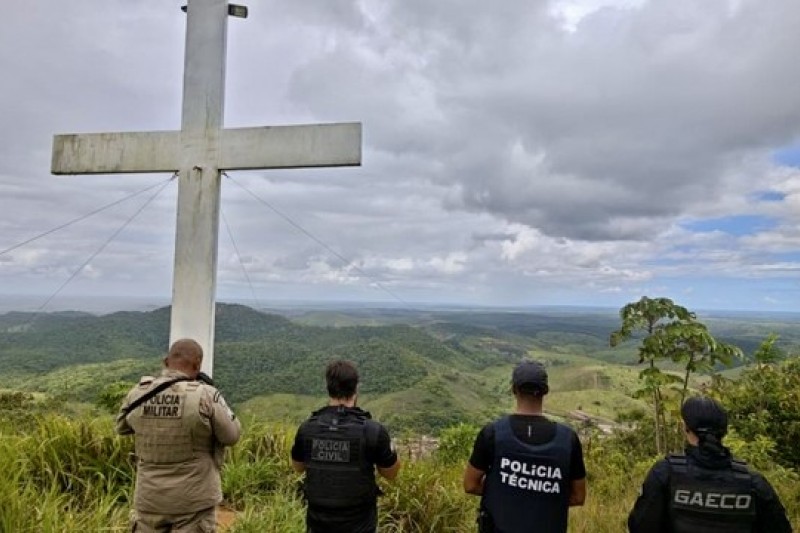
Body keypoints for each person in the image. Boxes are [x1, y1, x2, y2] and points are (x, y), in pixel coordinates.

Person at [116, 338, 241, 532]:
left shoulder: (138, 394)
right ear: (198, 365)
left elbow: (122, 427)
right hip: (194, 501)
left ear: (166, 362)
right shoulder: (205, 394)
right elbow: (231, 435)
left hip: (150, 498)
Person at [628, 396, 792, 533]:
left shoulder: (665, 473)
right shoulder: (753, 483)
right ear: (724, 431)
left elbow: (640, 526)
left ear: (686, 427)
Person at [463, 360, 587, 533]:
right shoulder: (568, 440)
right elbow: (578, 496)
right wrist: (538, 494)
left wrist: (508, 492)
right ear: (546, 391)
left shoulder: (493, 433)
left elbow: (470, 485)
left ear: (514, 390)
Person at [291, 360, 401, 533]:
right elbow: (391, 473)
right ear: (356, 389)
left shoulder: (307, 429)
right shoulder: (373, 431)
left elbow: (298, 467)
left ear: (328, 388)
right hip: (360, 526)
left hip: (317, 524)